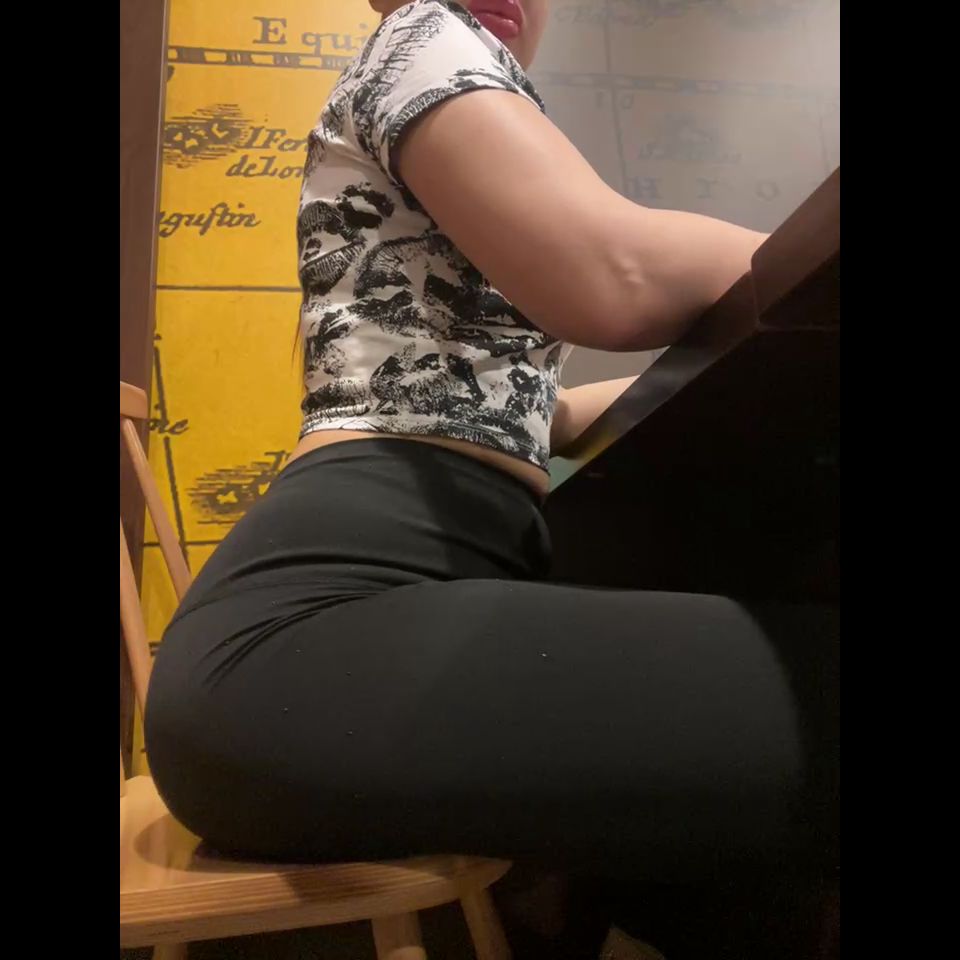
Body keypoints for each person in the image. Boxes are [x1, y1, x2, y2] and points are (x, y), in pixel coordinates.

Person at [144, 2, 839, 955]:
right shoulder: (428, 32)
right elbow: (616, 272)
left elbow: (544, 411)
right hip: (300, 646)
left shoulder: (451, 115)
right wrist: (809, 272)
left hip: (320, 643)